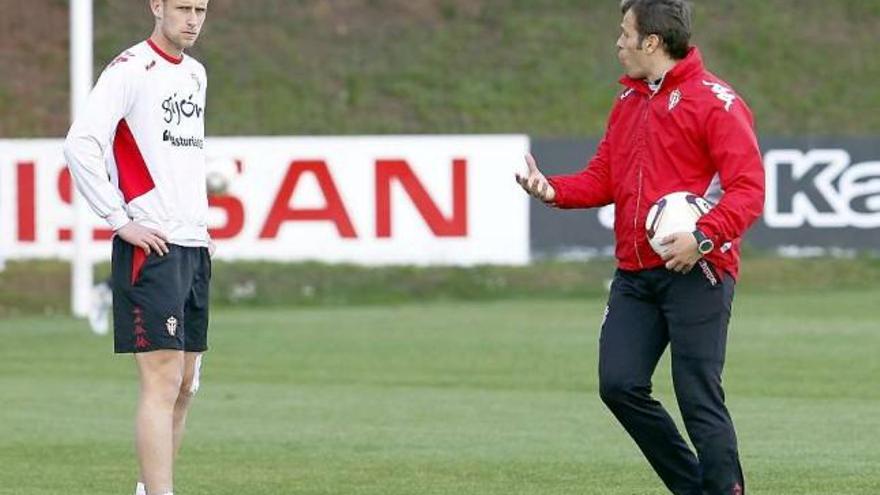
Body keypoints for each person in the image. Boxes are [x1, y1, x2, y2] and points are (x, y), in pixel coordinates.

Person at [516, 1, 764, 494]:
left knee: (698, 396)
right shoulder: (629, 101)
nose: (618, 43)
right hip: (635, 274)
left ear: (652, 41)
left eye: (624, 33)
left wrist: (701, 237)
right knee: (619, 385)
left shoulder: (716, 101)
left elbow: (748, 188)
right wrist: (554, 190)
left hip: (699, 270)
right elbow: (603, 178)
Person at [63, 1, 212, 494]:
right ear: (157, 6)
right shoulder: (130, 69)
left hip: (193, 244)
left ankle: (147, 489)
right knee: (162, 380)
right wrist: (118, 219)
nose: (192, 19)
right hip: (153, 245)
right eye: (183, 8)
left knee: (187, 386)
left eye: (201, 9)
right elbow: (80, 144)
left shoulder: (195, 75)